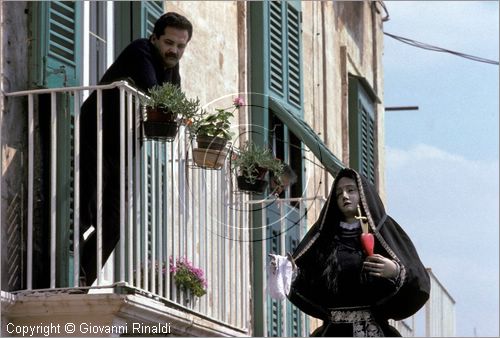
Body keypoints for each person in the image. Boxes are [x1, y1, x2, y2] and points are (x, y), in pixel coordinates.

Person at [79, 12, 193, 286]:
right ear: (154, 38)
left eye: (180, 46)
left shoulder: (171, 68)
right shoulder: (140, 49)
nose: (174, 50)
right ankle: (63, 271)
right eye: (169, 42)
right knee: (85, 210)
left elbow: (173, 103)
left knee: (114, 222)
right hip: (99, 130)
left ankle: (82, 279)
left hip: (124, 143)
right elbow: (155, 91)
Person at [268, 168, 430, 336]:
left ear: (363, 193)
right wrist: (287, 271)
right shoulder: (324, 238)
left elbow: (419, 279)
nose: (344, 196)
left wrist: (395, 271)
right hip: (333, 331)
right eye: (338, 193)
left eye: (350, 190)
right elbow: (310, 282)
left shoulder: (384, 231)